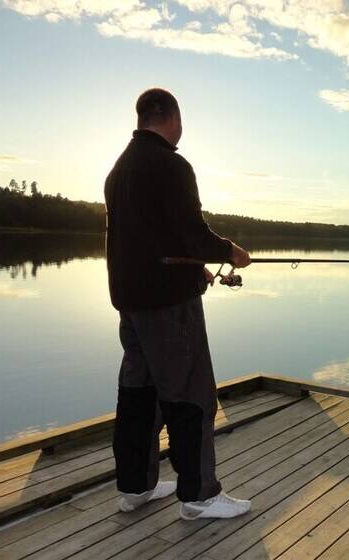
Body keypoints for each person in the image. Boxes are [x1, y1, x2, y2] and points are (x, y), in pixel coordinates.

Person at [104, 88, 252, 520]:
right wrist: (229, 252)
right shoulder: (171, 164)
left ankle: (136, 487)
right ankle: (199, 496)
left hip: (131, 303)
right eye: (180, 121)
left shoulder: (118, 169)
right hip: (169, 307)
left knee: (139, 395)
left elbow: (147, 240)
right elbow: (191, 232)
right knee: (191, 393)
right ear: (172, 118)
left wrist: (194, 269)